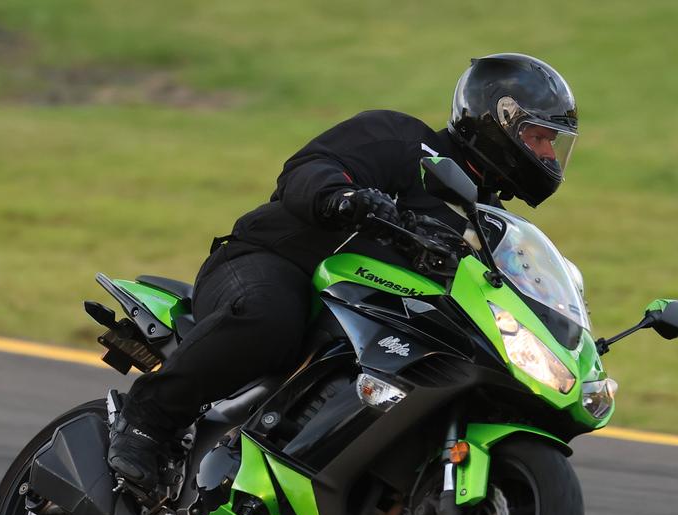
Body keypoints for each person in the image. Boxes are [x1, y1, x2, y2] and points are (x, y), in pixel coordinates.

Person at [107, 52, 579, 489]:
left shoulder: (494, 225)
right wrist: (343, 197)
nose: (548, 156)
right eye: (539, 138)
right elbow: (310, 168)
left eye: (552, 144)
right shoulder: (402, 141)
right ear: (497, 124)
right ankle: (147, 421)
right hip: (277, 263)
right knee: (268, 317)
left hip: (370, 318)